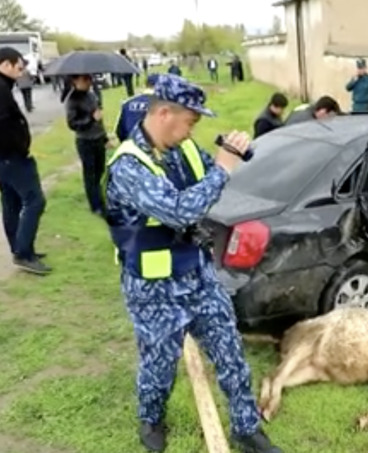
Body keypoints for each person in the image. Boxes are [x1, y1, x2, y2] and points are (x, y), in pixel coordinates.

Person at [101, 74, 282, 453]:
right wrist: (223, 167)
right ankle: (151, 419)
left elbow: (210, 179)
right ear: (164, 113)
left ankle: (247, 429)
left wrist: (234, 153)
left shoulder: (181, 149)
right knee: (159, 364)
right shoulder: (128, 166)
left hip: (197, 274)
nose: (192, 130)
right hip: (154, 288)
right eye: (191, 120)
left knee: (229, 350)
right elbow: (180, 211)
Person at [0, 47, 50, 275]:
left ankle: (20, 249)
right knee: (35, 200)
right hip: (11, 157)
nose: (22, 71)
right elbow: (4, 127)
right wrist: (20, 148)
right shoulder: (1, 89)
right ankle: (22, 253)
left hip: (6, 158)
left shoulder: (5, 87)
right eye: (19, 67)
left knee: (11, 202)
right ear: (5, 65)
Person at [66, 74, 110, 216]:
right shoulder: (73, 99)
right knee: (90, 174)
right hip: (85, 141)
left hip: (97, 138)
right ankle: (96, 205)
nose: (88, 82)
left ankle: (99, 198)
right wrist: (90, 118)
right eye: (85, 79)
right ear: (75, 80)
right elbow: (73, 124)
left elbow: (99, 120)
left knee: (100, 171)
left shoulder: (91, 95)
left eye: (89, 79)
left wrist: (105, 138)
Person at [114, 73, 159, 142]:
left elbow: (119, 131)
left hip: (131, 145)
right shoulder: (162, 103)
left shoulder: (127, 103)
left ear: (146, 85)